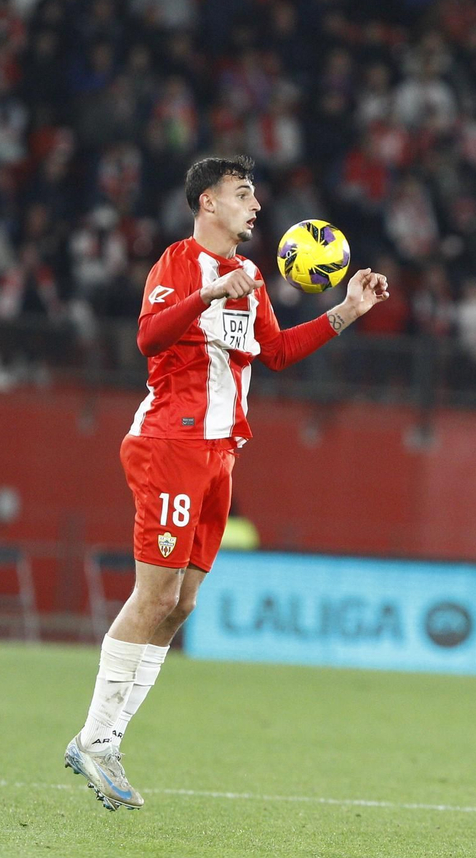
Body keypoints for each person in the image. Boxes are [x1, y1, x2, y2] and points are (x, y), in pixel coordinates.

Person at [65, 155, 390, 811]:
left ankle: (107, 738)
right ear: (207, 203)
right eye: (243, 194)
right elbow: (148, 338)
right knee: (153, 595)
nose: (256, 206)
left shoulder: (252, 278)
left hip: (220, 453)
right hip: (171, 443)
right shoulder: (179, 263)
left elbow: (274, 353)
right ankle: (96, 741)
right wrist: (209, 294)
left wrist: (348, 311)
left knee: (181, 605)